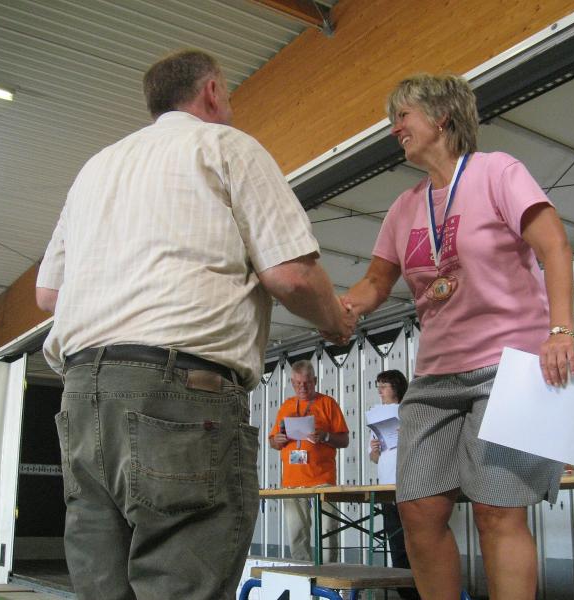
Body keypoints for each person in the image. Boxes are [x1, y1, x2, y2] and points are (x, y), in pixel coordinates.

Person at [35, 49, 355, 600]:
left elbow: (48, 295)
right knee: (181, 586)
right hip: (178, 395)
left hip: (83, 395)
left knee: (102, 589)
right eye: (226, 92)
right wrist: (336, 323)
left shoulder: (95, 169)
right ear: (210, 91)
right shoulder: (226, 146)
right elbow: (292, 276)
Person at [340, 73, 574, 600]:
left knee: (497, 510)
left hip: (507, 366)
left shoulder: (498, 172)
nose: (394, 128)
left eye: (402, 116)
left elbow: (555, 246)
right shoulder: (404, 207)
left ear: (441, 115)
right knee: (417, 511)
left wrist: (561, 331)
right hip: (435, 376)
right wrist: (339, 307)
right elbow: (376, 282)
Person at [268, 360, 349, 562]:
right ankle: (302, 573)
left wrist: (325, 436)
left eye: (307, 383)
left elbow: (344, 440)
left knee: (328, 528)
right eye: (297, 384)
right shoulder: (286, 406)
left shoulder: (327, 403)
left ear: (315, 380)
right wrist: (277, 440)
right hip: (292, 480)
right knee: (296, 532)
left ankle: (330, 573)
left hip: (323, 479)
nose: (302, 388)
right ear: (292, 383)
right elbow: (273, 441)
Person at [368, 370, 420, 600]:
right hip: (386, 486)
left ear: (396, 387)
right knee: (396, 542)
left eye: (384, 386)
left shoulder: (409, 411)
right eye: (378, 386)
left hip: (410, 485)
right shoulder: (376, 415)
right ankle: (407, 593)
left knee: (416, 540)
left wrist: (408, 434)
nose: (380, 391)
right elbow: (374, 457)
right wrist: (375, 450)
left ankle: (422, 589)